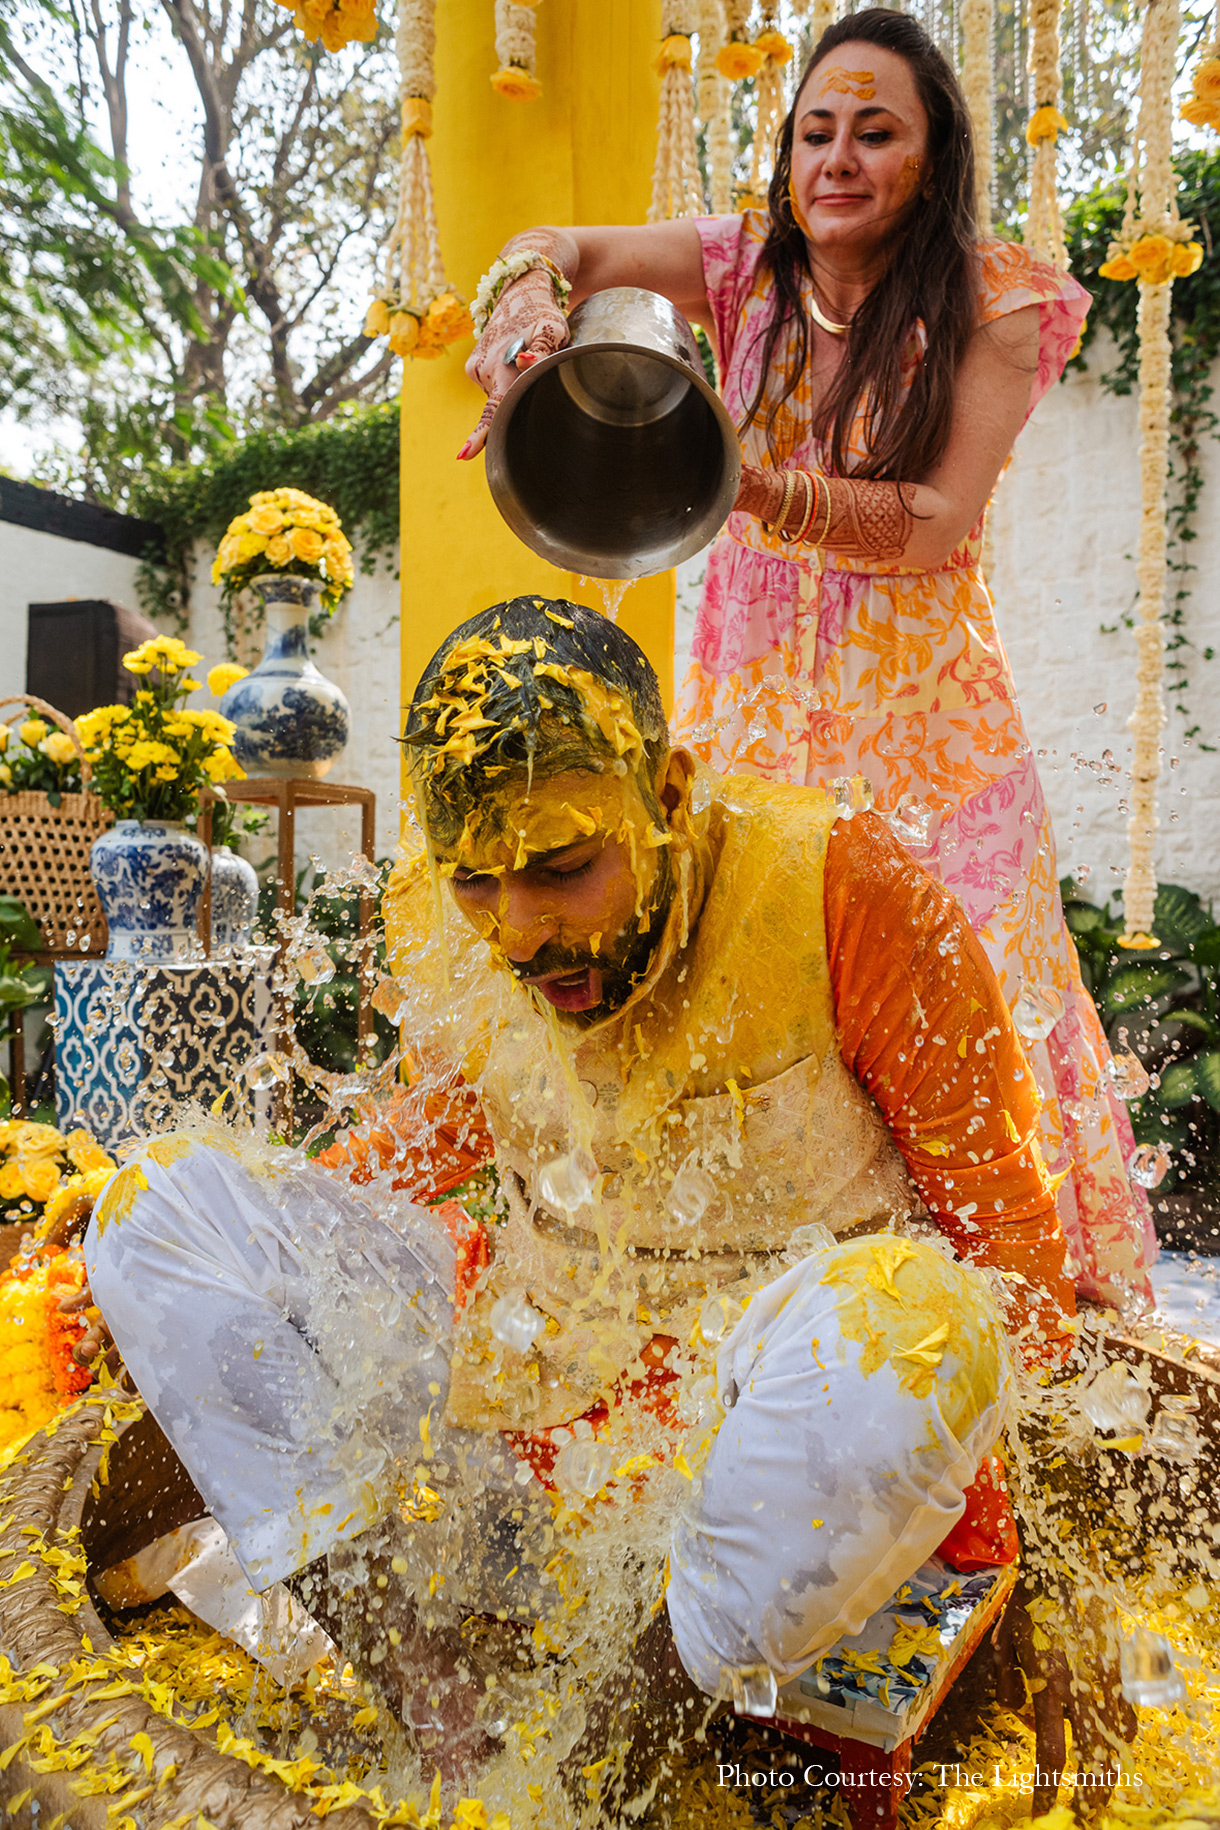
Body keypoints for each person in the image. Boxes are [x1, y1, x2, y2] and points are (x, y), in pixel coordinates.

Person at [87, 600, 1132, 1809]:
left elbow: (1010, 1256)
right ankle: (445, 1715)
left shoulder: (842, 884)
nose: (521, 934)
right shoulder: (442, 908)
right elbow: (417, 1144)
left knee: (911, 1320)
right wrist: (215, 1306)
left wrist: (1062, 1591)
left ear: (669, 791)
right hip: (518, 1426)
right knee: (159, 1203)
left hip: (784, 1476)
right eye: (480, 881)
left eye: (565, 869)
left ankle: (604, 1760)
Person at [458, 8, 1154, 1318]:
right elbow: (562, 241)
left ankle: (1022, 1327)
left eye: (876, 131)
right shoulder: (737, 269)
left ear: (933, 156)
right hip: (759, 714)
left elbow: (932, 525)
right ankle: (782, 1319)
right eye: (817, 129)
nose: (838, 156)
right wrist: (526, 306)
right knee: (771, 996)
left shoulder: (999, 301)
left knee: (975, 1010)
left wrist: (744, 480)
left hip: (933, 730)